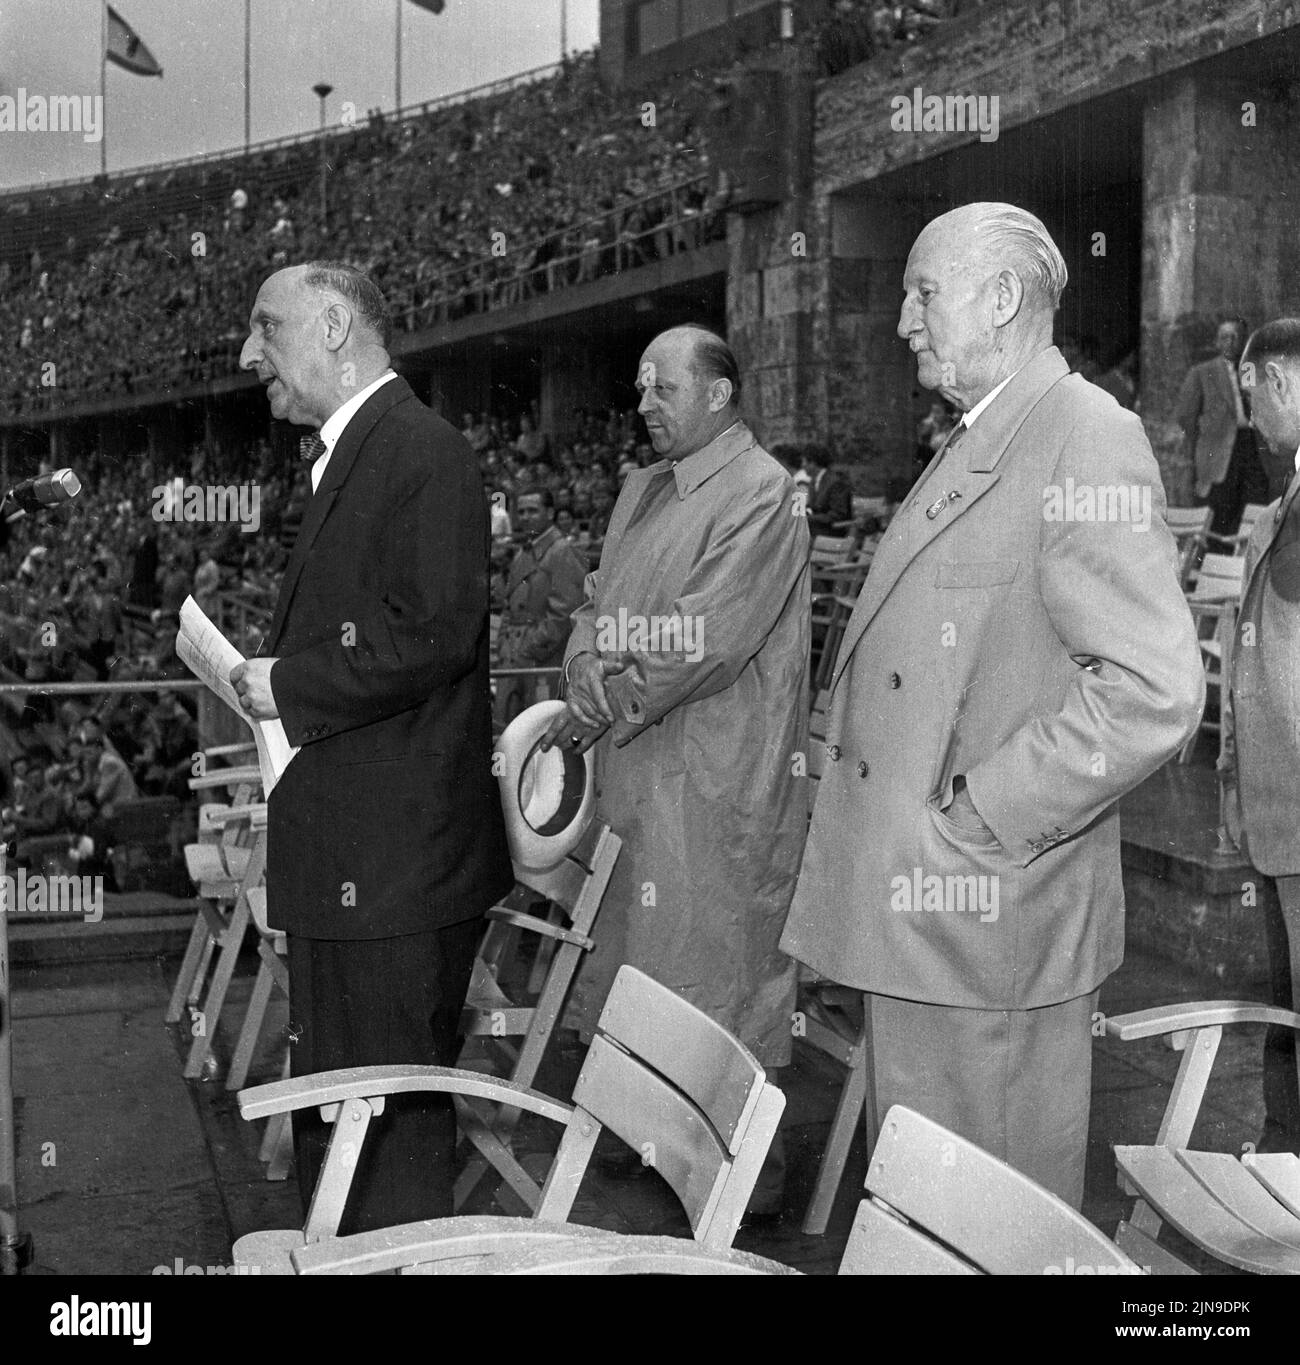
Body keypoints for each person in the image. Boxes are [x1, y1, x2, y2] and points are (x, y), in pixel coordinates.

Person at [781, 202, 1204, 1210]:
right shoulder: (987, 435)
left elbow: (1154, 688)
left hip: (985, 923)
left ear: (1003, 297)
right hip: (927, 926)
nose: (901, 321)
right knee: (924, 1222)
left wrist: (980, 816)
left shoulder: (1081, 435)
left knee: (981, 1230)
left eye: (922, 292)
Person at [231, 260, 512, 1234]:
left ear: (337, 327)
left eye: (268, 327)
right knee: (345, 1114)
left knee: (382, 1143)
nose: (247, 353)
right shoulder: (367, 449)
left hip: (395, 872)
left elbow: (429, 636)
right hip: (361, 858)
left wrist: (282, 684)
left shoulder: (420, 452)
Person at [542, 324, 810, 1217]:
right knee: (639, 957)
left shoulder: (763, 492)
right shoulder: (641, 491)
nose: (645, 404)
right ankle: (653, 1130)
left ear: (720, 394)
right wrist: (585, 666)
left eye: (663, 388)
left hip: (716, 779)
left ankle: (748, 1171)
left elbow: (706, 638)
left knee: (720, 966)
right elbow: (597, 605)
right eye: (641, 388)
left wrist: (603, 693)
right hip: (637, 769)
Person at [1220, 316, 1300, 1156]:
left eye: (1252, 394)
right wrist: (1238, 779)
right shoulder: (1287, 498)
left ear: (1277, 378)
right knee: (1286, 1007)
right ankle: (1284, 1170)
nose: (1252, 416)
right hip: (1282, 808)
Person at [494, 488, 587, 727]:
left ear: (550, 512)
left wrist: (528, 648)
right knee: (510, 731)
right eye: (521, 511)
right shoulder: (524, 552)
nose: (525, 517)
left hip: (541, 659)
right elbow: (508, 606)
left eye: (532, 510)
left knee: (539, 731)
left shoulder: (562, 551)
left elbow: (565, 613)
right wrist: (505, 643)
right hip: (514, 655)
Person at [1177, 318, 1271, 534]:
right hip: (1218, 451)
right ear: (1217, 342)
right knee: (1219, 512)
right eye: (1225, 337)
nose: (1231, 342)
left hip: (1248, 445)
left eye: (1236, 337)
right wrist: (1205, 441)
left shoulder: (1249, 370)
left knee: (1252, 506)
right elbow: (1186, 416)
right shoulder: (1202, 372)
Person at [804, 443, 853, 536]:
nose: (802, 465)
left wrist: (807, 518)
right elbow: (813, 507)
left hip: (831, 532)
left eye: (804, 461)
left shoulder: (835, 482)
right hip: (816, 529)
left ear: (813, 463)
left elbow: (838, 515)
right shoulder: (815, 481)